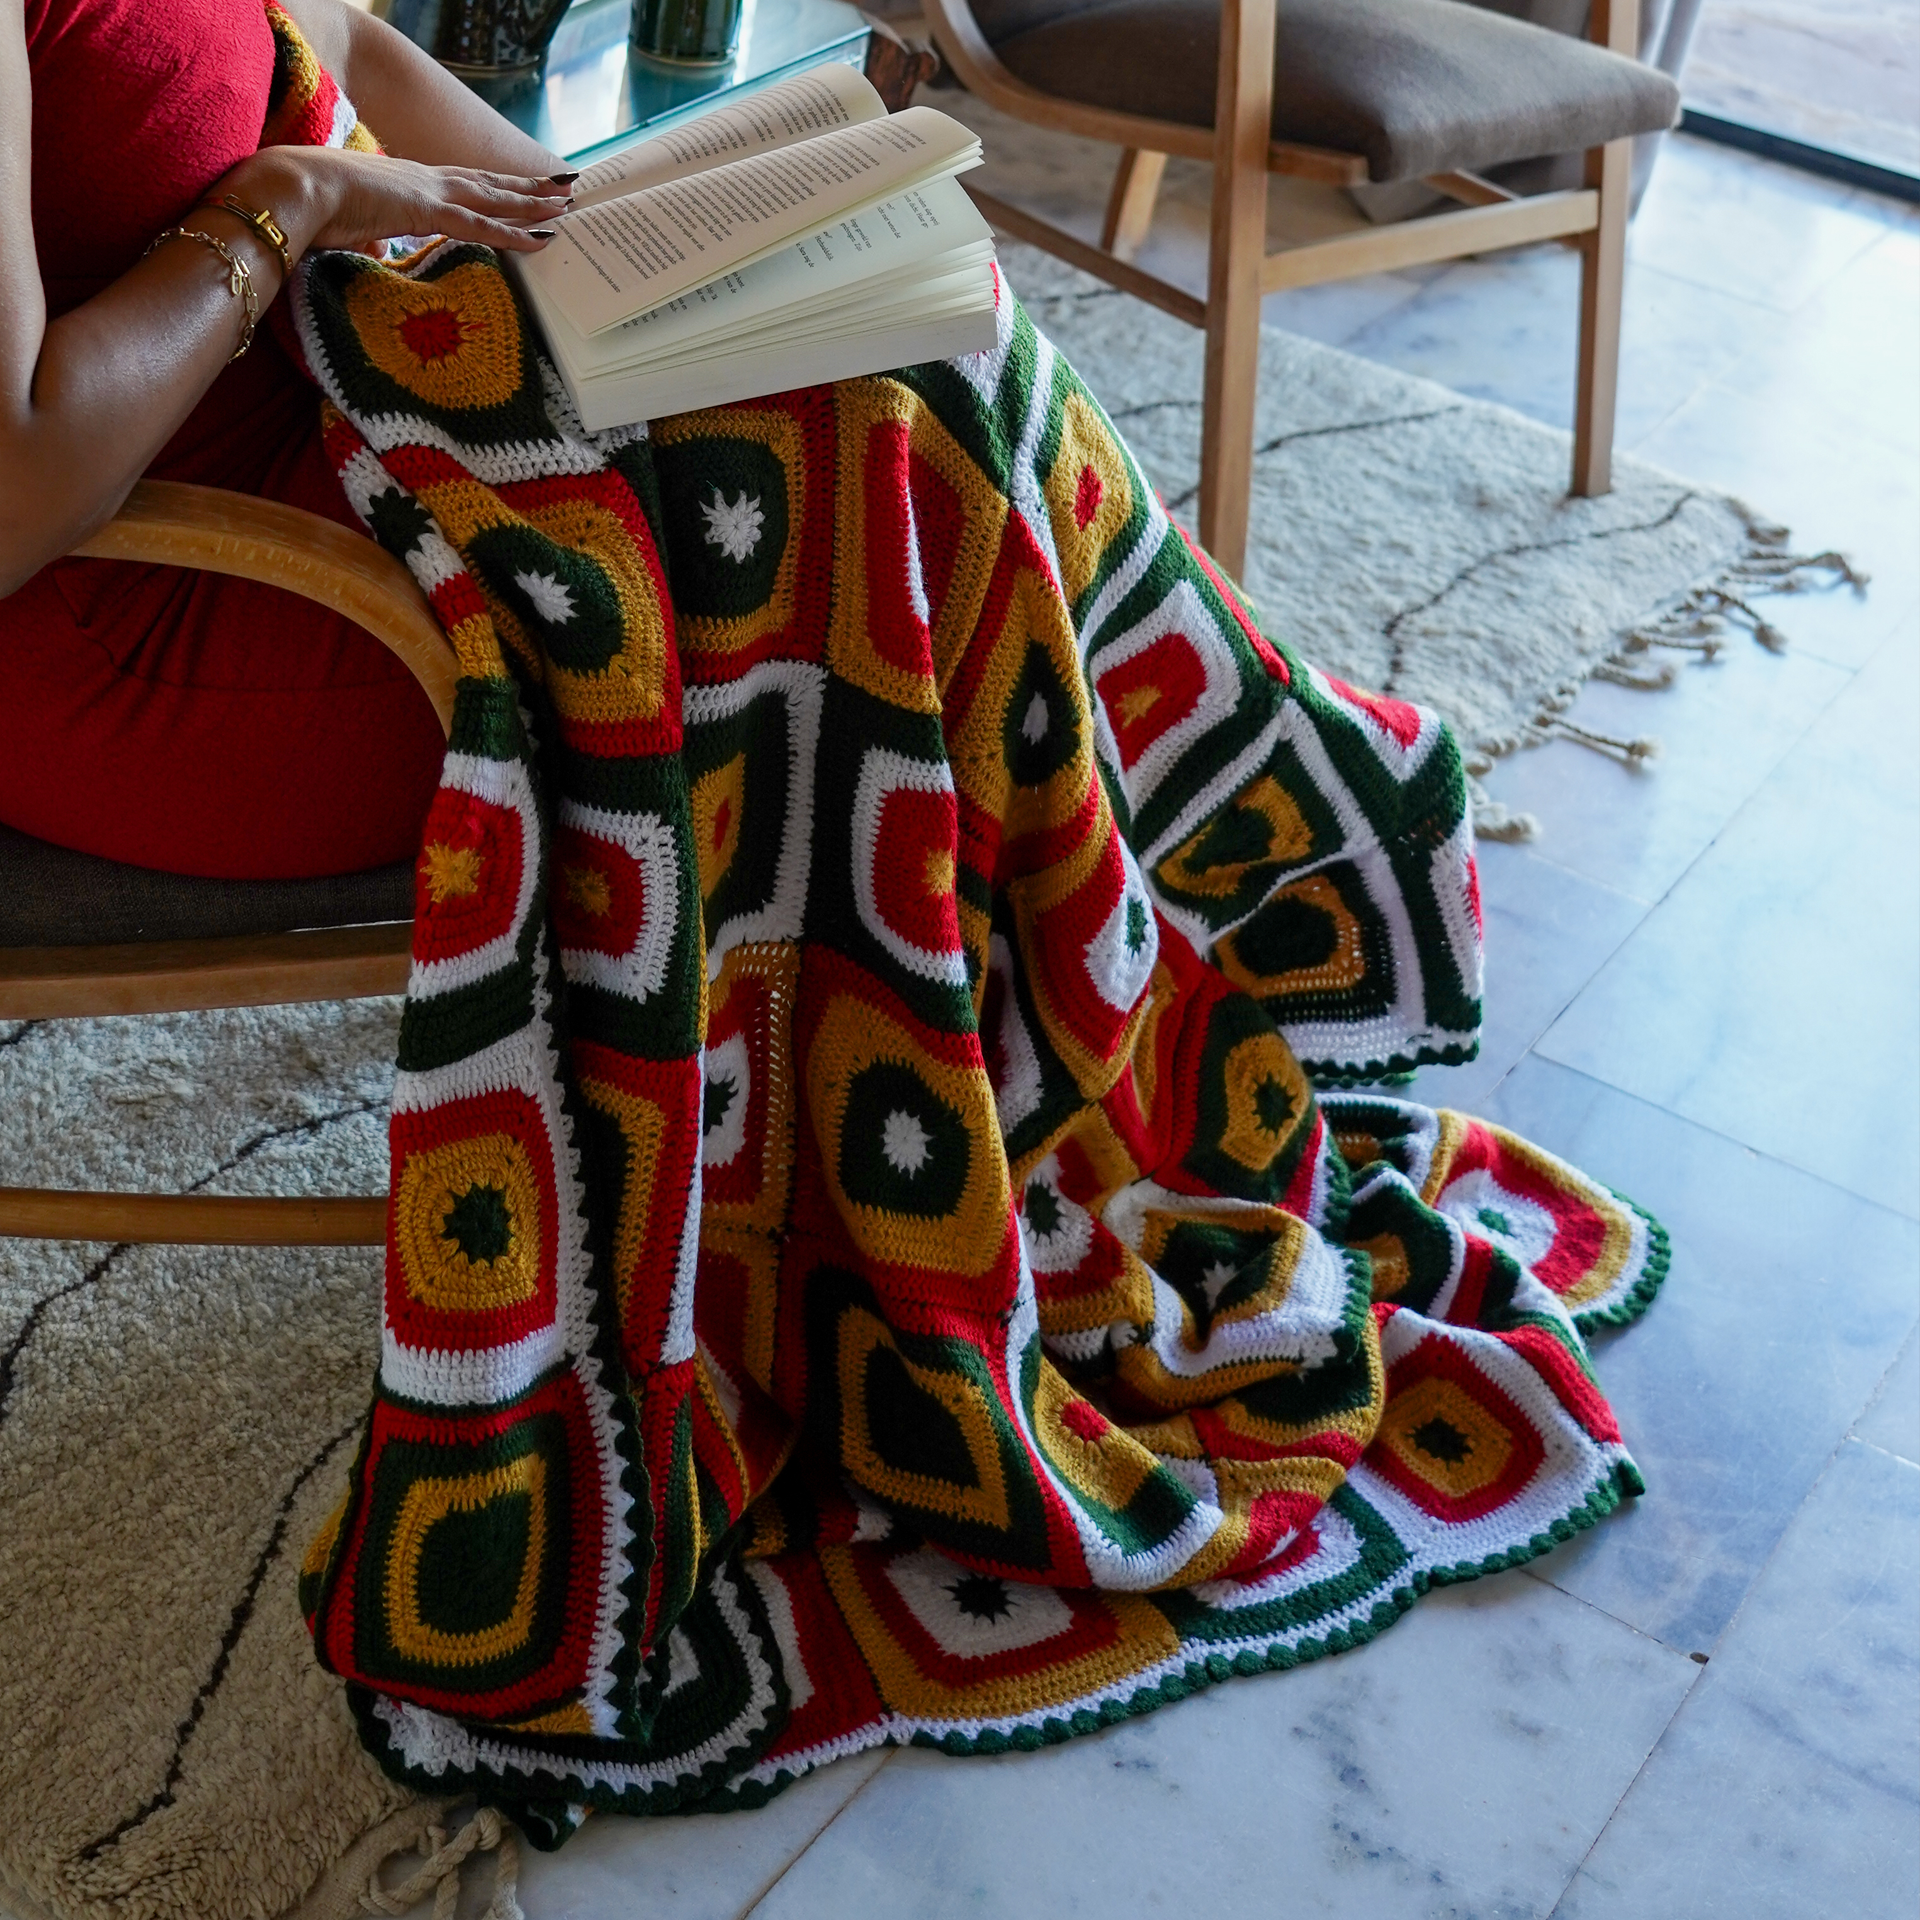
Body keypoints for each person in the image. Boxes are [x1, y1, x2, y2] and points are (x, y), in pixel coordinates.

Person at [1, 0, 573, 877]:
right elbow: (17, 494)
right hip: (154, 615)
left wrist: (604, 242)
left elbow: (333, 45)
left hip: (337, 409)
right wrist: (288, 203)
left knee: (792, 384)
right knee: (780, 529)